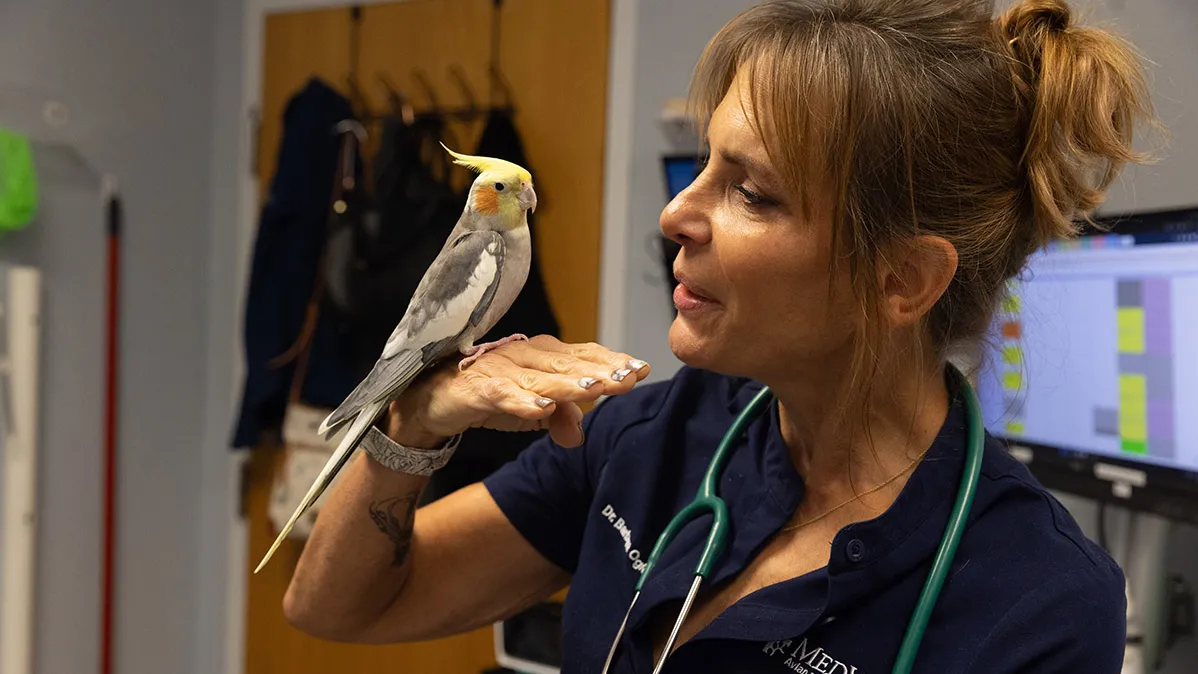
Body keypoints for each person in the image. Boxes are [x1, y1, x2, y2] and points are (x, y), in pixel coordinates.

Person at [282, 0, 1158, 671]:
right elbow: (338, 607)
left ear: (903, 280)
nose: (674, 214)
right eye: (702, 165)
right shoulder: (647, 435)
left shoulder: (1036, 599)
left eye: (752, 192)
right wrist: (417, 425)